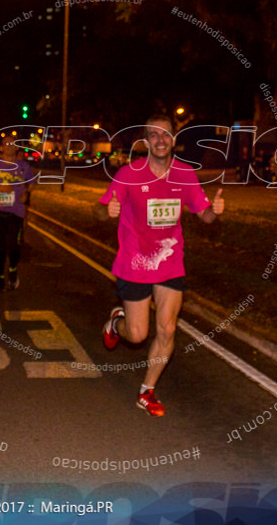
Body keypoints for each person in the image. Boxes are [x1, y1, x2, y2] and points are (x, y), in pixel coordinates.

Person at [95, 114, 224, 416]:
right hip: (135, 262)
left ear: (174, 140)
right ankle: (117, 323)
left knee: (166, 330)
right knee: (137, 335)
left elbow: (203, 213)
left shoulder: (185, 174)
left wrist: (215, 213)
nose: (160, 140)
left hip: (169, 262)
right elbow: (100, 208)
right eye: (154, 135)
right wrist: (107, 210)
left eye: (165, 134)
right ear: (146, 141)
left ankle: (147, 391)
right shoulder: (130, 174)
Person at [0, 135, 35, 291]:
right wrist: (0, 188)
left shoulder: (23, 166)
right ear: (1, 148)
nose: (9, 146)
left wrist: (27, 194)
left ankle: (12, 269)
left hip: (17, 212)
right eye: (6, 144)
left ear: (16, 148)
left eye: (12, 144)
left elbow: (31, 183)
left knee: (14, 246)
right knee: (0, 246)